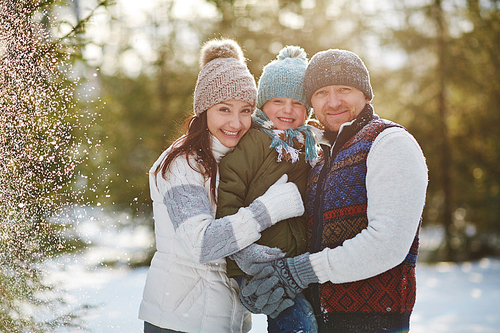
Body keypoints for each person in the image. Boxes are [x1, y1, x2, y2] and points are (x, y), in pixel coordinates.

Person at [239, 49, 428, 333]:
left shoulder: (389, 143)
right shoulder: (316, 153)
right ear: (312, 101)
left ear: (365, 95)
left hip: (373, 324)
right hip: (313, 321)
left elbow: (387, 244)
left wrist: (298, 272)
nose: (334, 101)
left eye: (344, 89)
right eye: (322, 92)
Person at [138, 39, 306, 333]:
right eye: (224, 109)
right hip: (179, 322)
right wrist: (268, 209)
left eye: (245, 110)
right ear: (204, 111)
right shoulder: (182, 165)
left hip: (229, 320)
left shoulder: (239, 159)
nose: (236, 122)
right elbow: (200, 244)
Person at [216, 46, 320, 333]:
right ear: (262, 104)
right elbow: (228, 195)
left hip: (289, 262)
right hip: (254, 260)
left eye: (297, 103)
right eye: (277, 101)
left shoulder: (308, 144)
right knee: (297, 322)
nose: (287, 110)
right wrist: (243, 251)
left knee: (296, 320)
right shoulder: (255, 141)